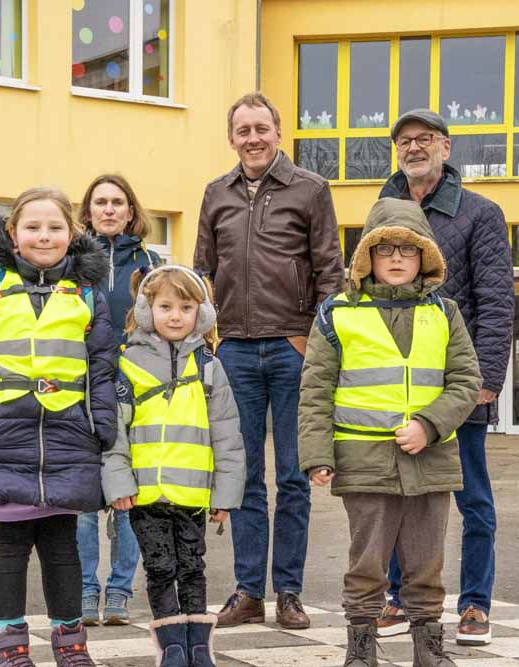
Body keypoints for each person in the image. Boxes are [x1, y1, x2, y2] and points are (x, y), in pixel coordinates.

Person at [0, 187, 118, 667]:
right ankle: (10, 647)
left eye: (55, 227)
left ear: (72, 234)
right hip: (0, 441)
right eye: (33, 227)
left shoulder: (88, 297)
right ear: (13, 235)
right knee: (9, 550)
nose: (44, 235)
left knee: (63, 550)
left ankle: (70, 643)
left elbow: (102, 367)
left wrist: (101, 426)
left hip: (67, 441)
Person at [299, 197, 481, 666]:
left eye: (408, 249)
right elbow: (315, 389)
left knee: (426, 563)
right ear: (366, 258)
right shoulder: (336, 313)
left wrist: (429, 424)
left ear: (425, 257)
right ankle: (360, 649)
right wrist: (317, 454)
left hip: (430, 460)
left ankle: (429, 649)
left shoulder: (445, 313)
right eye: (385, 249)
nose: (397, 258)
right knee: (367, 563)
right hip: (363, 462)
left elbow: (466, 382)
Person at [193, 92, 343, 629]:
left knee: (295, 477)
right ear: (231, 138)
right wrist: (210, 342)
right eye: (243, 130)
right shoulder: (217, 193)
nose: (252, 138)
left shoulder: (310, 189)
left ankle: (289, 592)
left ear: (278, 132)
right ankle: (248, 590)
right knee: (244, 476)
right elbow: (201, 274)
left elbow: (331, 271)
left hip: (291, 347)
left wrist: (315, 341)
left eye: (262, 128)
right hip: (233, 348)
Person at [377, 109, 514, 646]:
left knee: (472, 498)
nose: (414, 148)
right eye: (405, 141)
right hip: (397, 383)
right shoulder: (382, 210)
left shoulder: (481, 214)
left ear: (446, 148)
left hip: (461, 384)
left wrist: (487, 379)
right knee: (399, 494)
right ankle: (397, 597)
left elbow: (497, 302)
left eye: (424, 139)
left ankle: (475, 605)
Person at [102, 265, 246, 667]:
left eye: (185, 307)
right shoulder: (127, 366)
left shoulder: (208, 368)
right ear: (147, 310)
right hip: (145, 494)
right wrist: (118, 483)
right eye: (165, 306)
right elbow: (114, 434)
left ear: (201, 314)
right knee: (160, 567)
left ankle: (199, 645)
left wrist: (225, 495)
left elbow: (228, 437)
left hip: (194, 494)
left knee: (192, 566)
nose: (175, 315)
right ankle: (172, 646)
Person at [74, 173, 162, 626]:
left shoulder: (150, 264)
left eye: (118, 202)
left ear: (131, 211)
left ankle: (121, 592)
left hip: (136, 388)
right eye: (100, 202)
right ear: (87, 211)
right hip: (84, 387)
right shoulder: (70, 263)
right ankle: (87, 589)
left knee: (129, 496)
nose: (109, 210)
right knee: (88, 500)